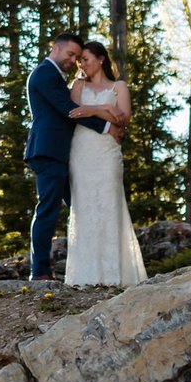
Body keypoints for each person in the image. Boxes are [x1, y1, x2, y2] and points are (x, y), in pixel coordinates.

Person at [23, 30, 108, 282]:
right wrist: (106, 127)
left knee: (79, 207)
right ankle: (39, 271)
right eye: (70, 54)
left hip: (60, 152)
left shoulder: (55, 76)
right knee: (48, 210)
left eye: (77, 57)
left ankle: (90, 266)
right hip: (48, 150)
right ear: (55, 48)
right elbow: (68, 110)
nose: (73, 61)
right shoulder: (45, 74)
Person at [64, 39, 147, 288]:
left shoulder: (119, 86)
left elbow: (123, 117)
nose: (81, 64)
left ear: (101, 59)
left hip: (107, 152)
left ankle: (114, 275)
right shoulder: (78, 85)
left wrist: (94, 109)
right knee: (84, 205)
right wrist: (104, 109)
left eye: (86, 59)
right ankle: (84, 276)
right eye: (79, 61)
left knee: (110, 204)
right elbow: (74, 112)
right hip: (82, 151)